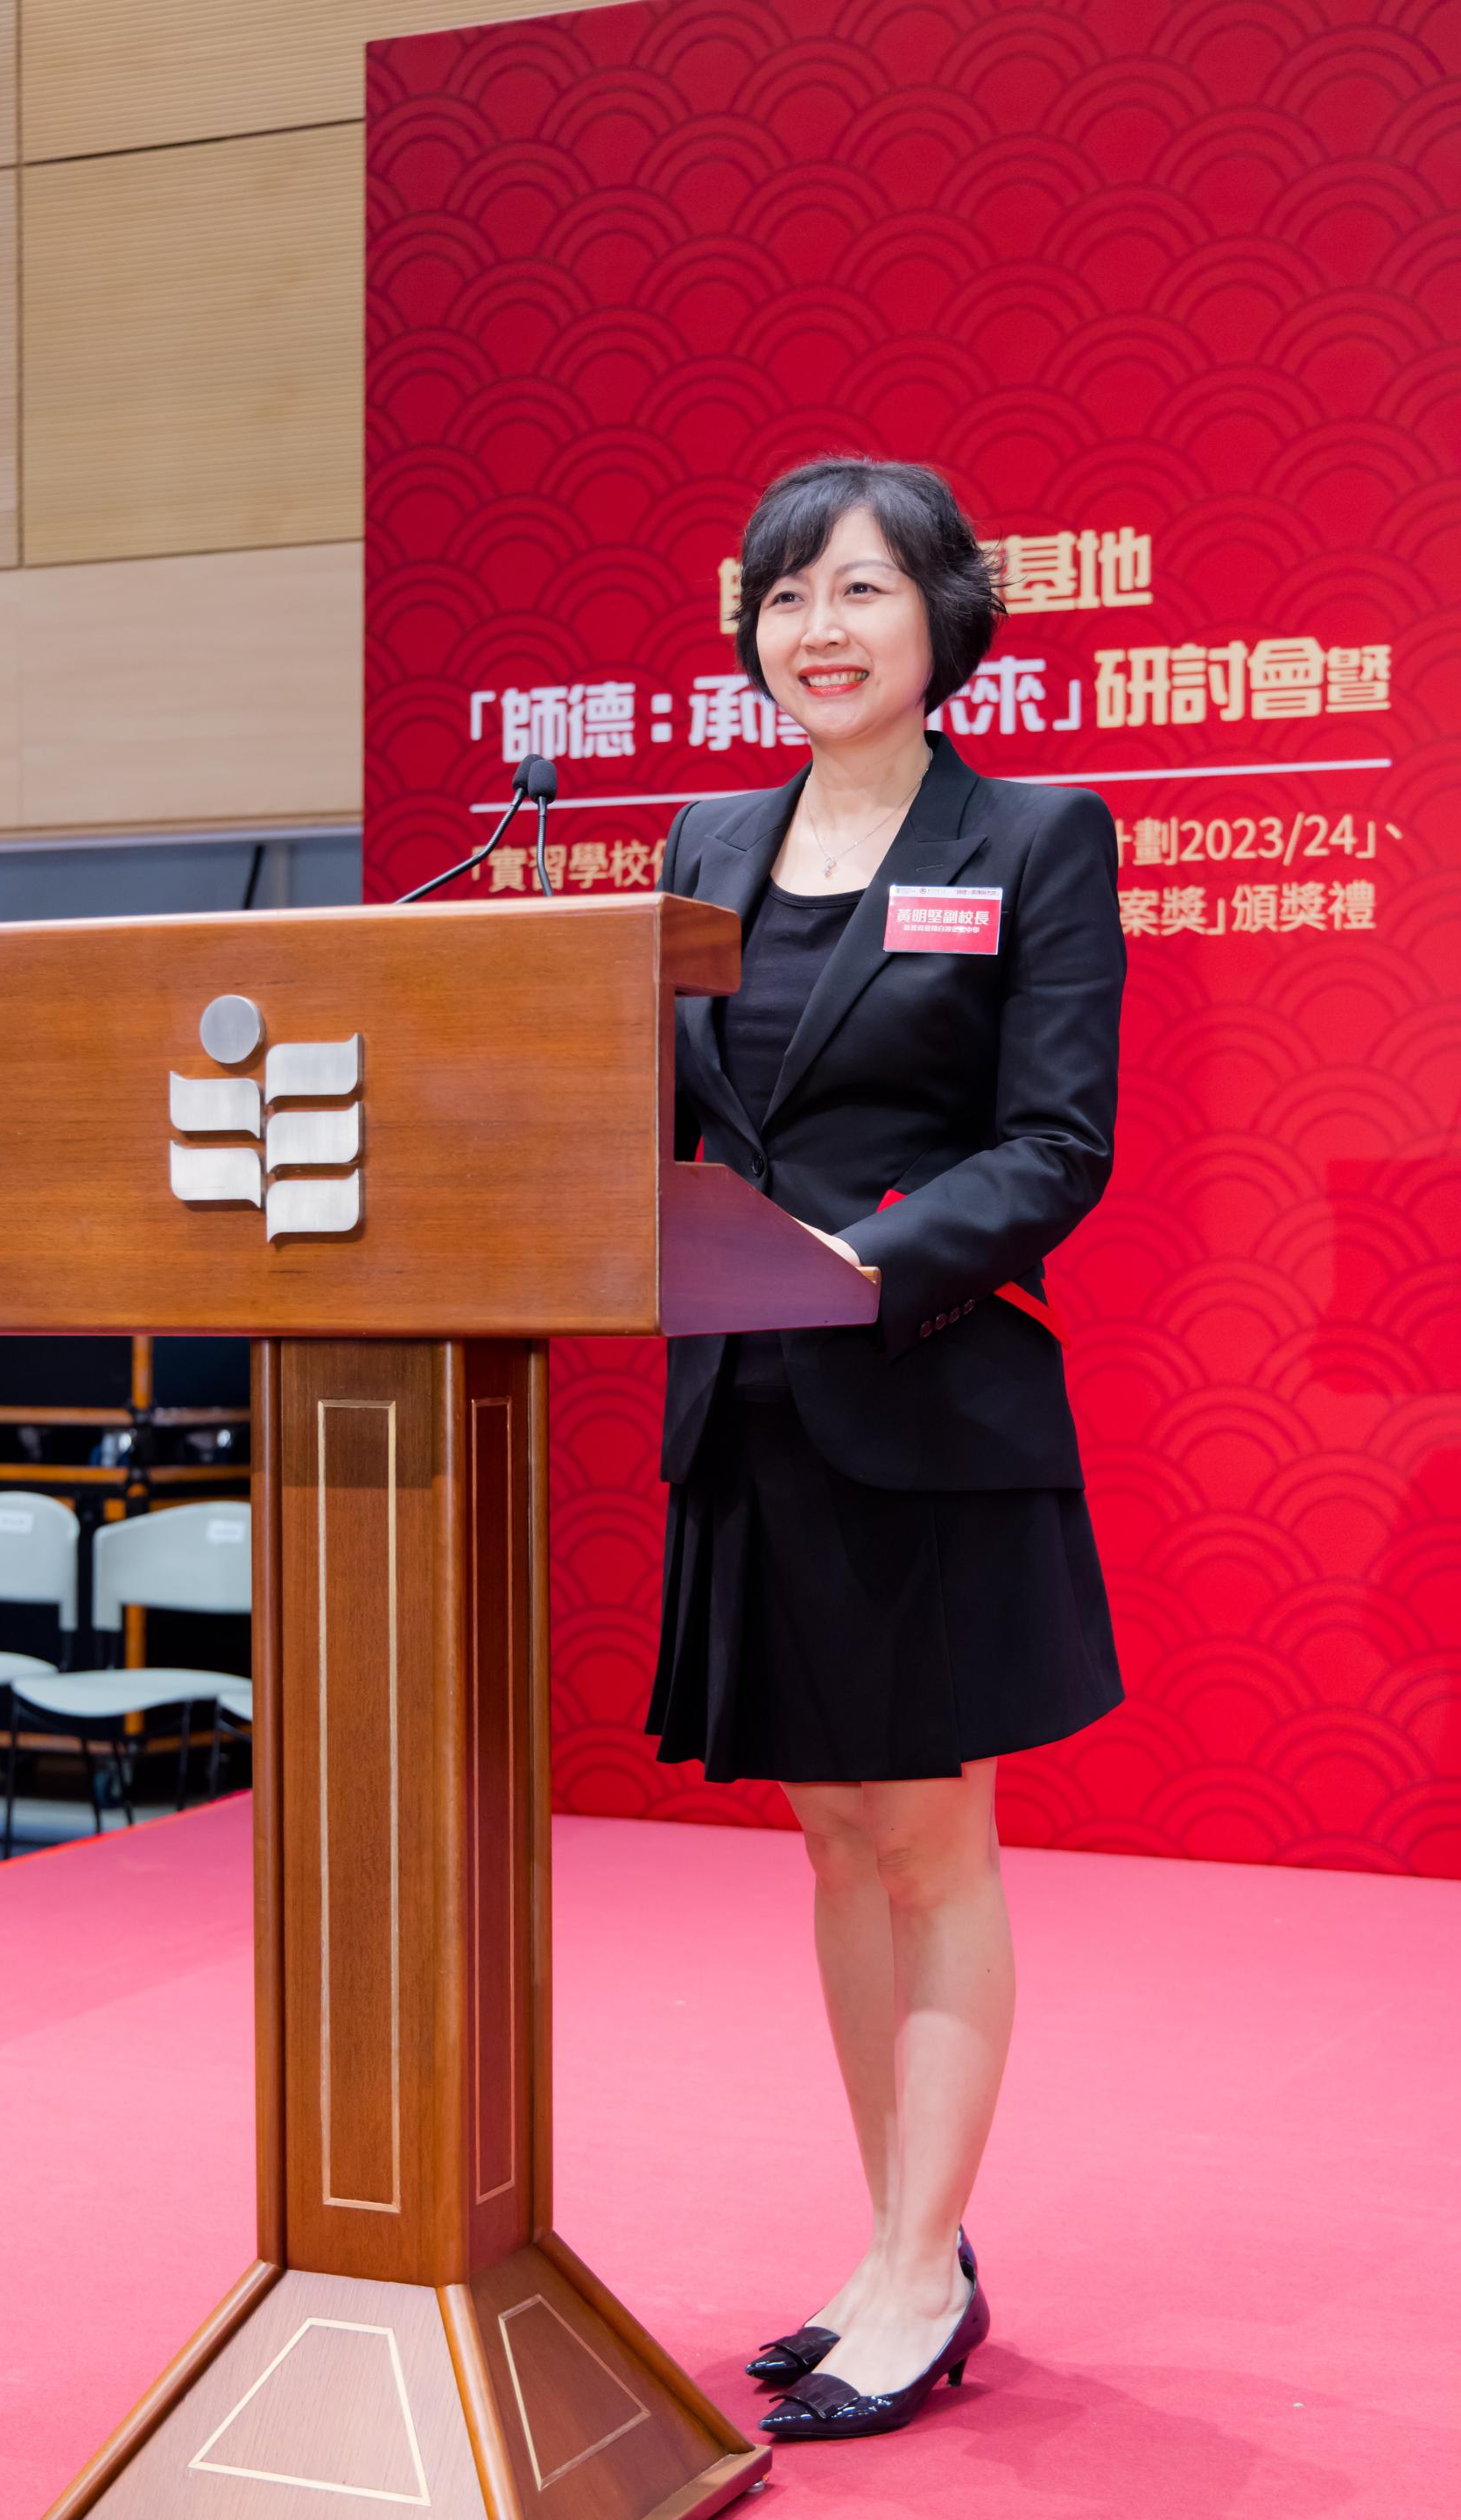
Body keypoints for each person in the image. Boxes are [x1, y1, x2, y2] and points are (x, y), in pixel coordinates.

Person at [647, 455, 1127, 2446]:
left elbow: (1058, 1141)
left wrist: (871, 1259)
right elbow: (671, 1115)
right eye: (783, 596)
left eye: (858, 590)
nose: (815, 630)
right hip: (748, 1404)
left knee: (931, 1839)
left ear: (944, 617)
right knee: (837, 1837)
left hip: (924, 1399)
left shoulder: (1032, 834)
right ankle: (890, 2243)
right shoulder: (711, 837)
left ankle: (924, 2273)